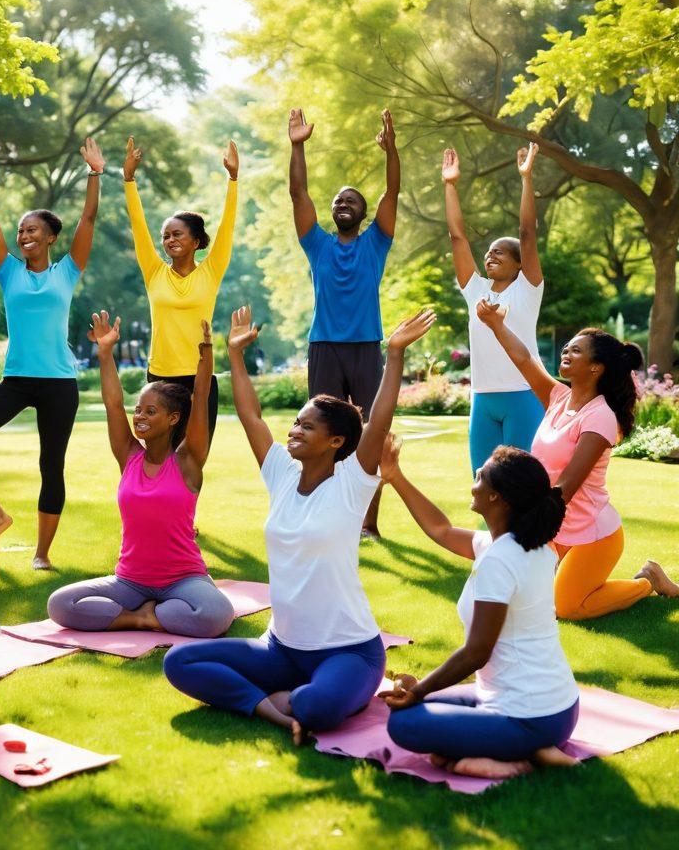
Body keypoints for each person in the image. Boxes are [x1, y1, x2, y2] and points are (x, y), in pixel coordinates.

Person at [163, 304, 434, 744]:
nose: (294, 431)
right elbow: (252, 417)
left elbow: (380, 418)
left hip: (348, 651)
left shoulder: (352, 482)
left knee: (316, 707)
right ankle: (271, 707)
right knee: (179, 663)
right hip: (281, 649)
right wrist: (235, 355)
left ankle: (290, 700)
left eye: (307, 427)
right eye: (295, 423)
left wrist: (396, 353)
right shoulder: (281, 474)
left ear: (337, 441)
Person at [0, 133, 103, 568]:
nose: (23, 235)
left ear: (50, 237)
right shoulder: (8, 271)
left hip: (58, 383)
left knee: (52, 464)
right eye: (21, 231)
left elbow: (88, 219)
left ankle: (42, 554)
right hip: (16, 380)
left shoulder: (67, 272)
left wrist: (94, 173)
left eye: (32, 230)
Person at [380, 437, 580, 779]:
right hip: (558, 707)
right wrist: (395, 476)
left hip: (529, 716)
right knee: (424, 708)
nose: (476, 472)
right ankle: (522, 750)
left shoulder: (500, 560)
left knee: (404, 724)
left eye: (482, 473)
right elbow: (440, 530)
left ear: (495, 497)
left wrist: (419, 690)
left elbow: (477, 652)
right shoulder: (525, 546)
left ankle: (522, 757)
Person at [477, 303, 679, 617]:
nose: (566, 353)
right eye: (567, 348)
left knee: (566, 606)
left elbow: (567, 487)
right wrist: (495, 324)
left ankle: (647, 581)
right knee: (513, 589)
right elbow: (523, 359)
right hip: (557, 528)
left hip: (593, 534)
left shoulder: (600, 418)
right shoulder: (558, 398)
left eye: (576, 351)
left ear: (596, 368)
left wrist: (524, 526)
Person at [47, 313, 235, 637]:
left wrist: (206, 356)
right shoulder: (129, 456)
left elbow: (200, 398)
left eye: (150, 411)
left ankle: (144, 614)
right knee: (60, 604)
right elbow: (112, 403)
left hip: (184, 578)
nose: (140, 417)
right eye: (138, 410)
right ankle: (143, 618)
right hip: (130, 581)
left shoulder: (188, 462)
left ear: (174, 418)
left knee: (216, 614)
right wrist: (105, 353)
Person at [287, 107, 400, 538]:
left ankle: (369, 523)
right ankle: (321, 515)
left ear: (364, 212)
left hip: (366, 347)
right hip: (325, 348)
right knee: (318, 433)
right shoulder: (317, 244)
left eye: (350, 200)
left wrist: (392, 151)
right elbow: (299, 194)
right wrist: (297, 146)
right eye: (337, 200)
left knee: (372, 433)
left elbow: (393, 191)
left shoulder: (377, 241)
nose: (342, 203)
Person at [124, 135, 239, 447]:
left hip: (199, 378)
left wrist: (233, 179)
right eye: (165, 236)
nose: (169, 240)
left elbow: (227, 227)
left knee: (193, 460)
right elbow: (138, 226)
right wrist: (129, 179)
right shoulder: (154, 272)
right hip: (159, 378)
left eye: (177, 234)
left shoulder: (211, 271)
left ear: (196, 241)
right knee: (160, 457)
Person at [443, 143, 546, 471]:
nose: (491, 255)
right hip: (483, 399)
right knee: (482, 482)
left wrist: (526, 179)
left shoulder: (528, 290)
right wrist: (450, 186)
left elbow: (527, 234)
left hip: (524, 396)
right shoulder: (476, 290)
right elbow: (458, 238)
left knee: (521, 484)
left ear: (519, 264)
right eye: (489, 251)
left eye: (500, 252)